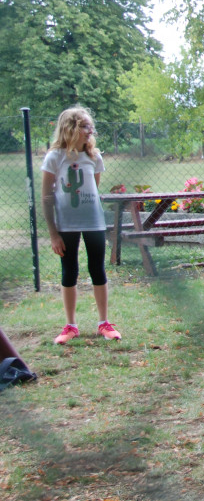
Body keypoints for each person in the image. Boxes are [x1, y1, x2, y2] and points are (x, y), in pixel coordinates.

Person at [40, 106, 121, 345]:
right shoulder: (55, 157)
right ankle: (70, 326)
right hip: (66, 225)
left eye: (91, 126)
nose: (91, 130)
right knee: (69, 271)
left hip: (94, 223)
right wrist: (53, 234)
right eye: (85, 126)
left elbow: (93, 189)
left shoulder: (94, 157)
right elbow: (46, 197)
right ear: (71, 128)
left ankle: (104, 323)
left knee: (98, 269)